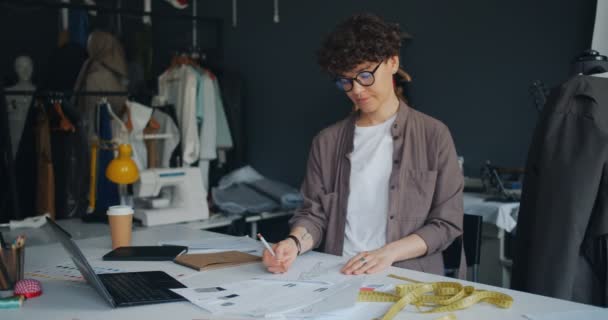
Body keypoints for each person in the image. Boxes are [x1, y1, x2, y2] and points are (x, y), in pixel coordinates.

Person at [262, 13, 465, 277]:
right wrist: (294, 243)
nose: (356, 90)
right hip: (337, 275)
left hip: (409, 280)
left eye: (365, 75)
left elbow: (446, 223)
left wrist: (388, 253)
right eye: (345, 81)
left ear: (393, 62)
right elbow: (313, 214)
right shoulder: (326, 142)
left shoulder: (433, 135)